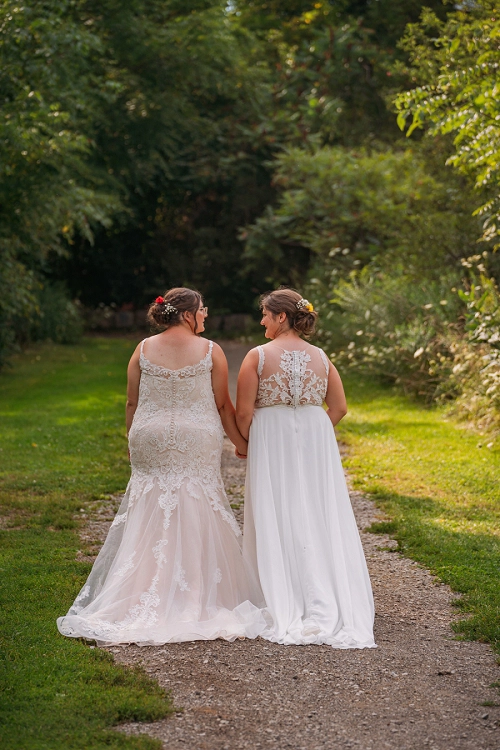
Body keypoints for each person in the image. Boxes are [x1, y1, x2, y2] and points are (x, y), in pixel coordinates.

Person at [58, 287, 266, 645]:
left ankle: (142, 593)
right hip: (194, 437)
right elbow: (222, 407)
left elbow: (131, 401)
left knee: (150, 510)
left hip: (148, 435)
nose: (205, 314)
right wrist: (242, 444)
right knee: (197, 506)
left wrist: (132, 439)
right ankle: (194, 595)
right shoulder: (211, 351)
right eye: (202, 309)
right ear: (187, 314)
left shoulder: (142, 348)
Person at [236, 288, 376, 648]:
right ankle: (325, 592)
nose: (262, 320)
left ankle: (281, 590)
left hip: (271, 438)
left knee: (277, 508)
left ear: (281, 316)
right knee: (316, 510)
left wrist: (252, 443)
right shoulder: (321, 356)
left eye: (266, 314)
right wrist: (313, 436)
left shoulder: (258, 356)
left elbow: (244, 411)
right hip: (316, 440)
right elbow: (340, 407)